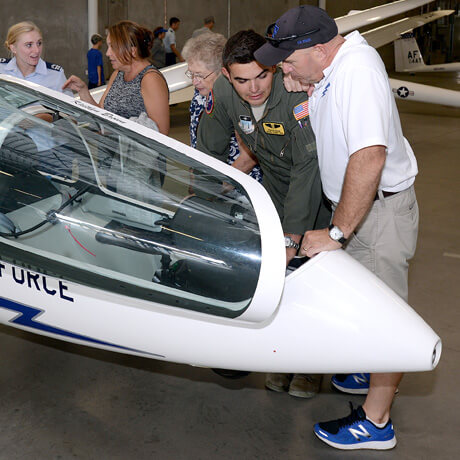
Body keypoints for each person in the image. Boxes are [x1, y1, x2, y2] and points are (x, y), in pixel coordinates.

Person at [255, 5, 419, 451]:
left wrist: (337, 233)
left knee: (387, 319)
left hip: (377, 212)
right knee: (363, 301)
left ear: (320, 49)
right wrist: (306, 83)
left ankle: (377, 421)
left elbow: (369, 156)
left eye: (288, 60)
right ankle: (369, 368)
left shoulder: (358, 73)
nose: (283, 69)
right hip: (358, 207)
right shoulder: (333, 68)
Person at [197, 30, 330, 399]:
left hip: (317, 196)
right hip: (273, 192)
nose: (253, 88)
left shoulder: (293, 95)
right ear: (226, 75)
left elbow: (308, 166)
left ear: (273, 68)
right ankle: (281, 357)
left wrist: (292, 235)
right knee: (275, 281)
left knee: (307, 278)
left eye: (262, 76)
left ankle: (308, 367)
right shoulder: (222, 94)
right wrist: (200, 202)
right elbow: (208, 154)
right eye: (242, 80)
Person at [63, 20, 169, 136]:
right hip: (110, 152)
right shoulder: (117, 73)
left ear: (132, 50)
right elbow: (101, 113)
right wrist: (83, 91)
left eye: (112, 47)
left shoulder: (150, 79)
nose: (108, 53)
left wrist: (114, 130)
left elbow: (161, 134)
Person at [182, 31, 261, 182]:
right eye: (191, 74)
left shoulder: (238, 99)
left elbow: (249, 158)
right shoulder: (199, 96)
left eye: (200, 75)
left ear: (222, 72)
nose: (194, 81)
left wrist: (220, 189)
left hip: (239, 186)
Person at [1, 21, 72, 96]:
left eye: (39, 43)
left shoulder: (56, 75)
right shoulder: (1, 69)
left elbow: (70, 106)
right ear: (13, 48)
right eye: (29, 45)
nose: (37, 50)